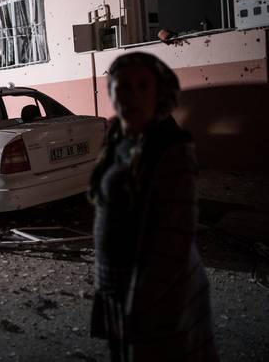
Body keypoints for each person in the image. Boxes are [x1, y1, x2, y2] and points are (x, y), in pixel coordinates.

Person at [89, 52, 218, 361]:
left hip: (158, 291)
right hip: (120, 282)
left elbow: (174, 241)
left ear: (159, 92)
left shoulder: (169, 146)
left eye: (142, 86)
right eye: (122, 87)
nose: (130, 96)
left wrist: (143, 303)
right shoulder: (120, 137)